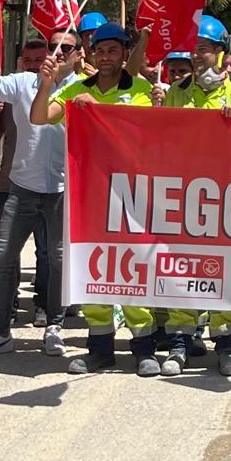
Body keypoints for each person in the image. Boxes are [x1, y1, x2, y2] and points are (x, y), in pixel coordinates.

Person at [30, 24, 161, 374]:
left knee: (134, 268)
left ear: (124, 54)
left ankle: (144, 349)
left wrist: (99, 112)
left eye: (113, 51)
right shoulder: (77, 88)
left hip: (131, 194)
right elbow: (39, 117)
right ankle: (100, 349)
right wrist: (46, 83)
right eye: (100, 51)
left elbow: (142, 134)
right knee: (94, 268)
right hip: (89, 193)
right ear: (91, 54)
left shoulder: (141, 90)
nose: (105, 57)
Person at [0, 30, 77, 362]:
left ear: (78, 54)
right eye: (53, 46)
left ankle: (54, 326)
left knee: (58, 261)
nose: (57, 52)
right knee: (2, 258)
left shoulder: (84, 88)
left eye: (66, 47)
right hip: (21, 189)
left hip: (63, 191)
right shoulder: (21, 83)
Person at [161, 14, 231, 376]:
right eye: (193, 48)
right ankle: (180, 344)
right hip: (185, 197)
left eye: (204, 48)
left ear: (222, 51)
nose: (196, 55)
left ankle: (227, 346)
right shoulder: (176, 92)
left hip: (229, 199)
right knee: (183, 271)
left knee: (226, 273)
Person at [0, 48, 51, 329]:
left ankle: (44, 306)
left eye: (39, 60)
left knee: (46, 252)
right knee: (7, 253)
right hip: (9, 186)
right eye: (28, 61)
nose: (34, 65)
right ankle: (6, 308)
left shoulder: (59, 92)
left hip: (47, 188)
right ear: (20, 63)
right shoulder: (10, 92)